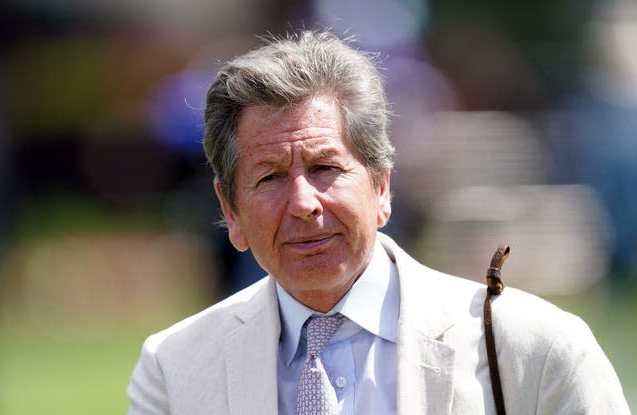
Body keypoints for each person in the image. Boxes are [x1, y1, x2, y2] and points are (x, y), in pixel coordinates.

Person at [127, 30, 630, 414]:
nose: (303, 202)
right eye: (269, 178)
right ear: (230, 211)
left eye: (326, 168)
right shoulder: (174, 370)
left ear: (382, 186)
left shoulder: (536, 348)